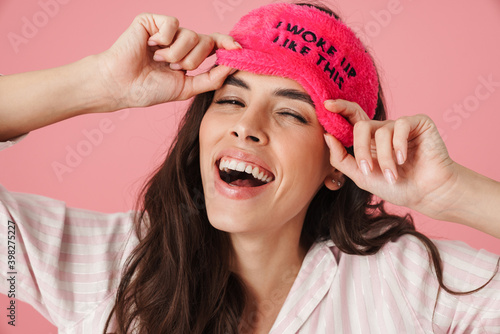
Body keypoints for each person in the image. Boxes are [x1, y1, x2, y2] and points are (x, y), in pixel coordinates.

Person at [1, 2, 499, 333]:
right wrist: (97, 84)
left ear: (336, 166)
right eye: (230, 100)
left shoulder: (406, 283)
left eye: (289, 112)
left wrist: (451, 193)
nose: (247, 127)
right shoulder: (111, 267)